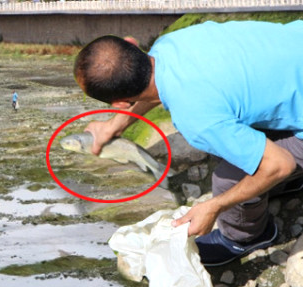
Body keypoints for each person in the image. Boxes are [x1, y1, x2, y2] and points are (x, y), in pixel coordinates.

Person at [73, 20, 303, 266]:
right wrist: (113, 126)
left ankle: (245, 238)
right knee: (237, 125)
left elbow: (280, 164)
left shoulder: (196, 118)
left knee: (228, 178)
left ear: (119, 102)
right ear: (132, 44)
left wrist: (214, 206)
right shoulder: (173, 44)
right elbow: (156, 86)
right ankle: (281, 186)